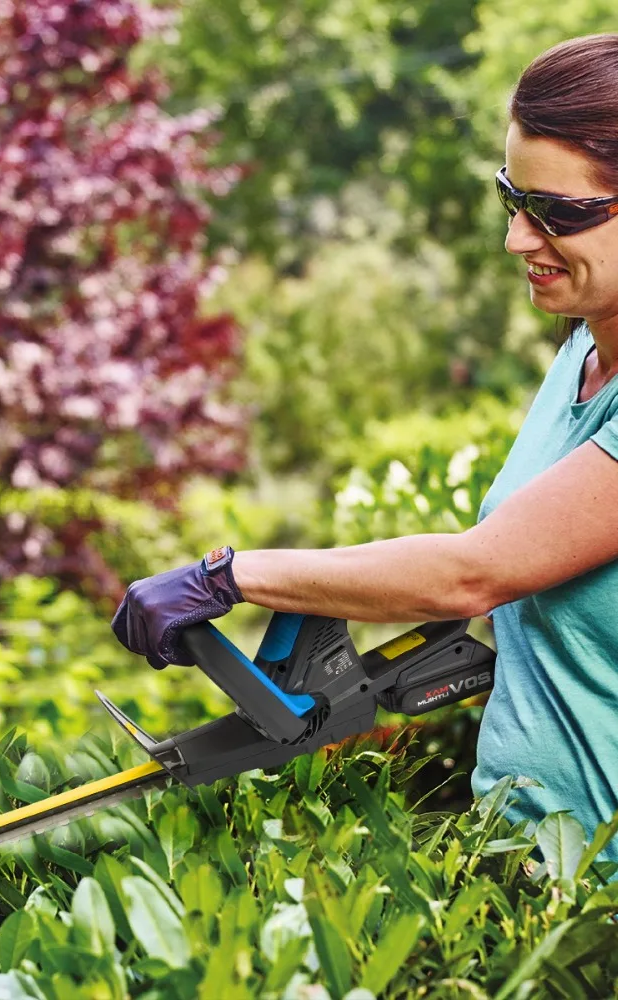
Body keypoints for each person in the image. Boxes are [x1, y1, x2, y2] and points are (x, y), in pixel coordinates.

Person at [111, 34, 618, 873]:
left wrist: (230, 577)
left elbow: (473, 573)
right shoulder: (584, 349)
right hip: (525, 868)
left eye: (557, 213)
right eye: (511, 199)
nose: (518, 241)